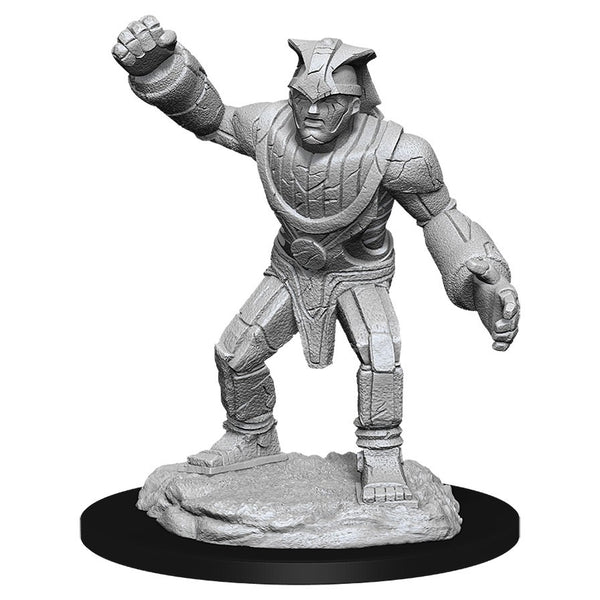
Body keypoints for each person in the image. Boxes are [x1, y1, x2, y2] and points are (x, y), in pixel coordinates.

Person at [113, 17, 520, 503]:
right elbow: (213, 119)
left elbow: (441, 217)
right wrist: (163, 71)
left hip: (358, 274)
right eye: (302, 98)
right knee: (235, 355)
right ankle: (251, 436)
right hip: (292, 268)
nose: (311, 111)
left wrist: (485, 285)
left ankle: (381, 456)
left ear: (354, 103)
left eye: (328, 102)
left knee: (381, 357)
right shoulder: (267, 126)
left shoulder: (400, 154)